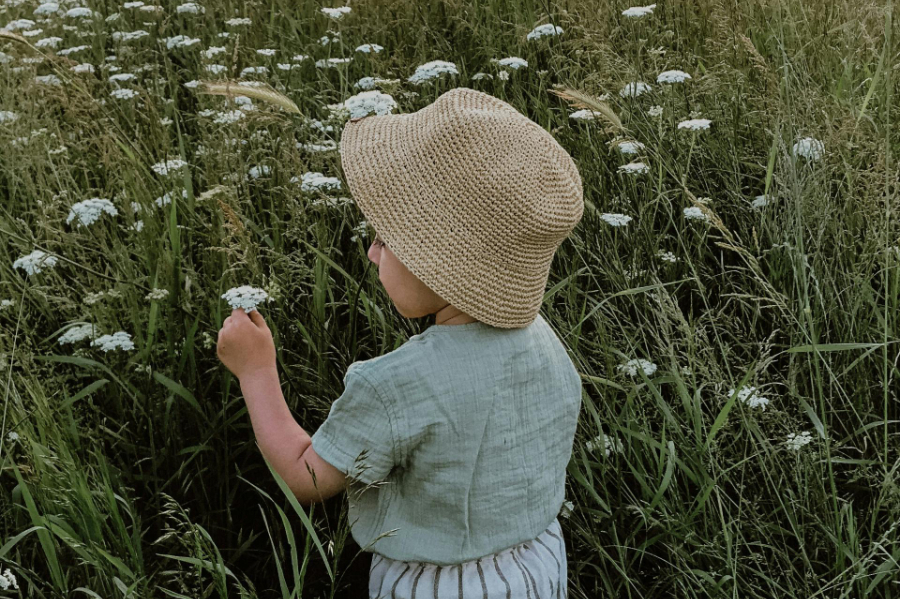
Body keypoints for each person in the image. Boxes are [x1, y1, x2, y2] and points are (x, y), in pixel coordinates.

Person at [218, 87, 584, 599]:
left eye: (387, 239)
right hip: (537, 565)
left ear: (442, 262)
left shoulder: (394, 384)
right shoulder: (547, 343)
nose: (371, 252)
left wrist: (255, 371)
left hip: (438, 583)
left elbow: (308, 477)